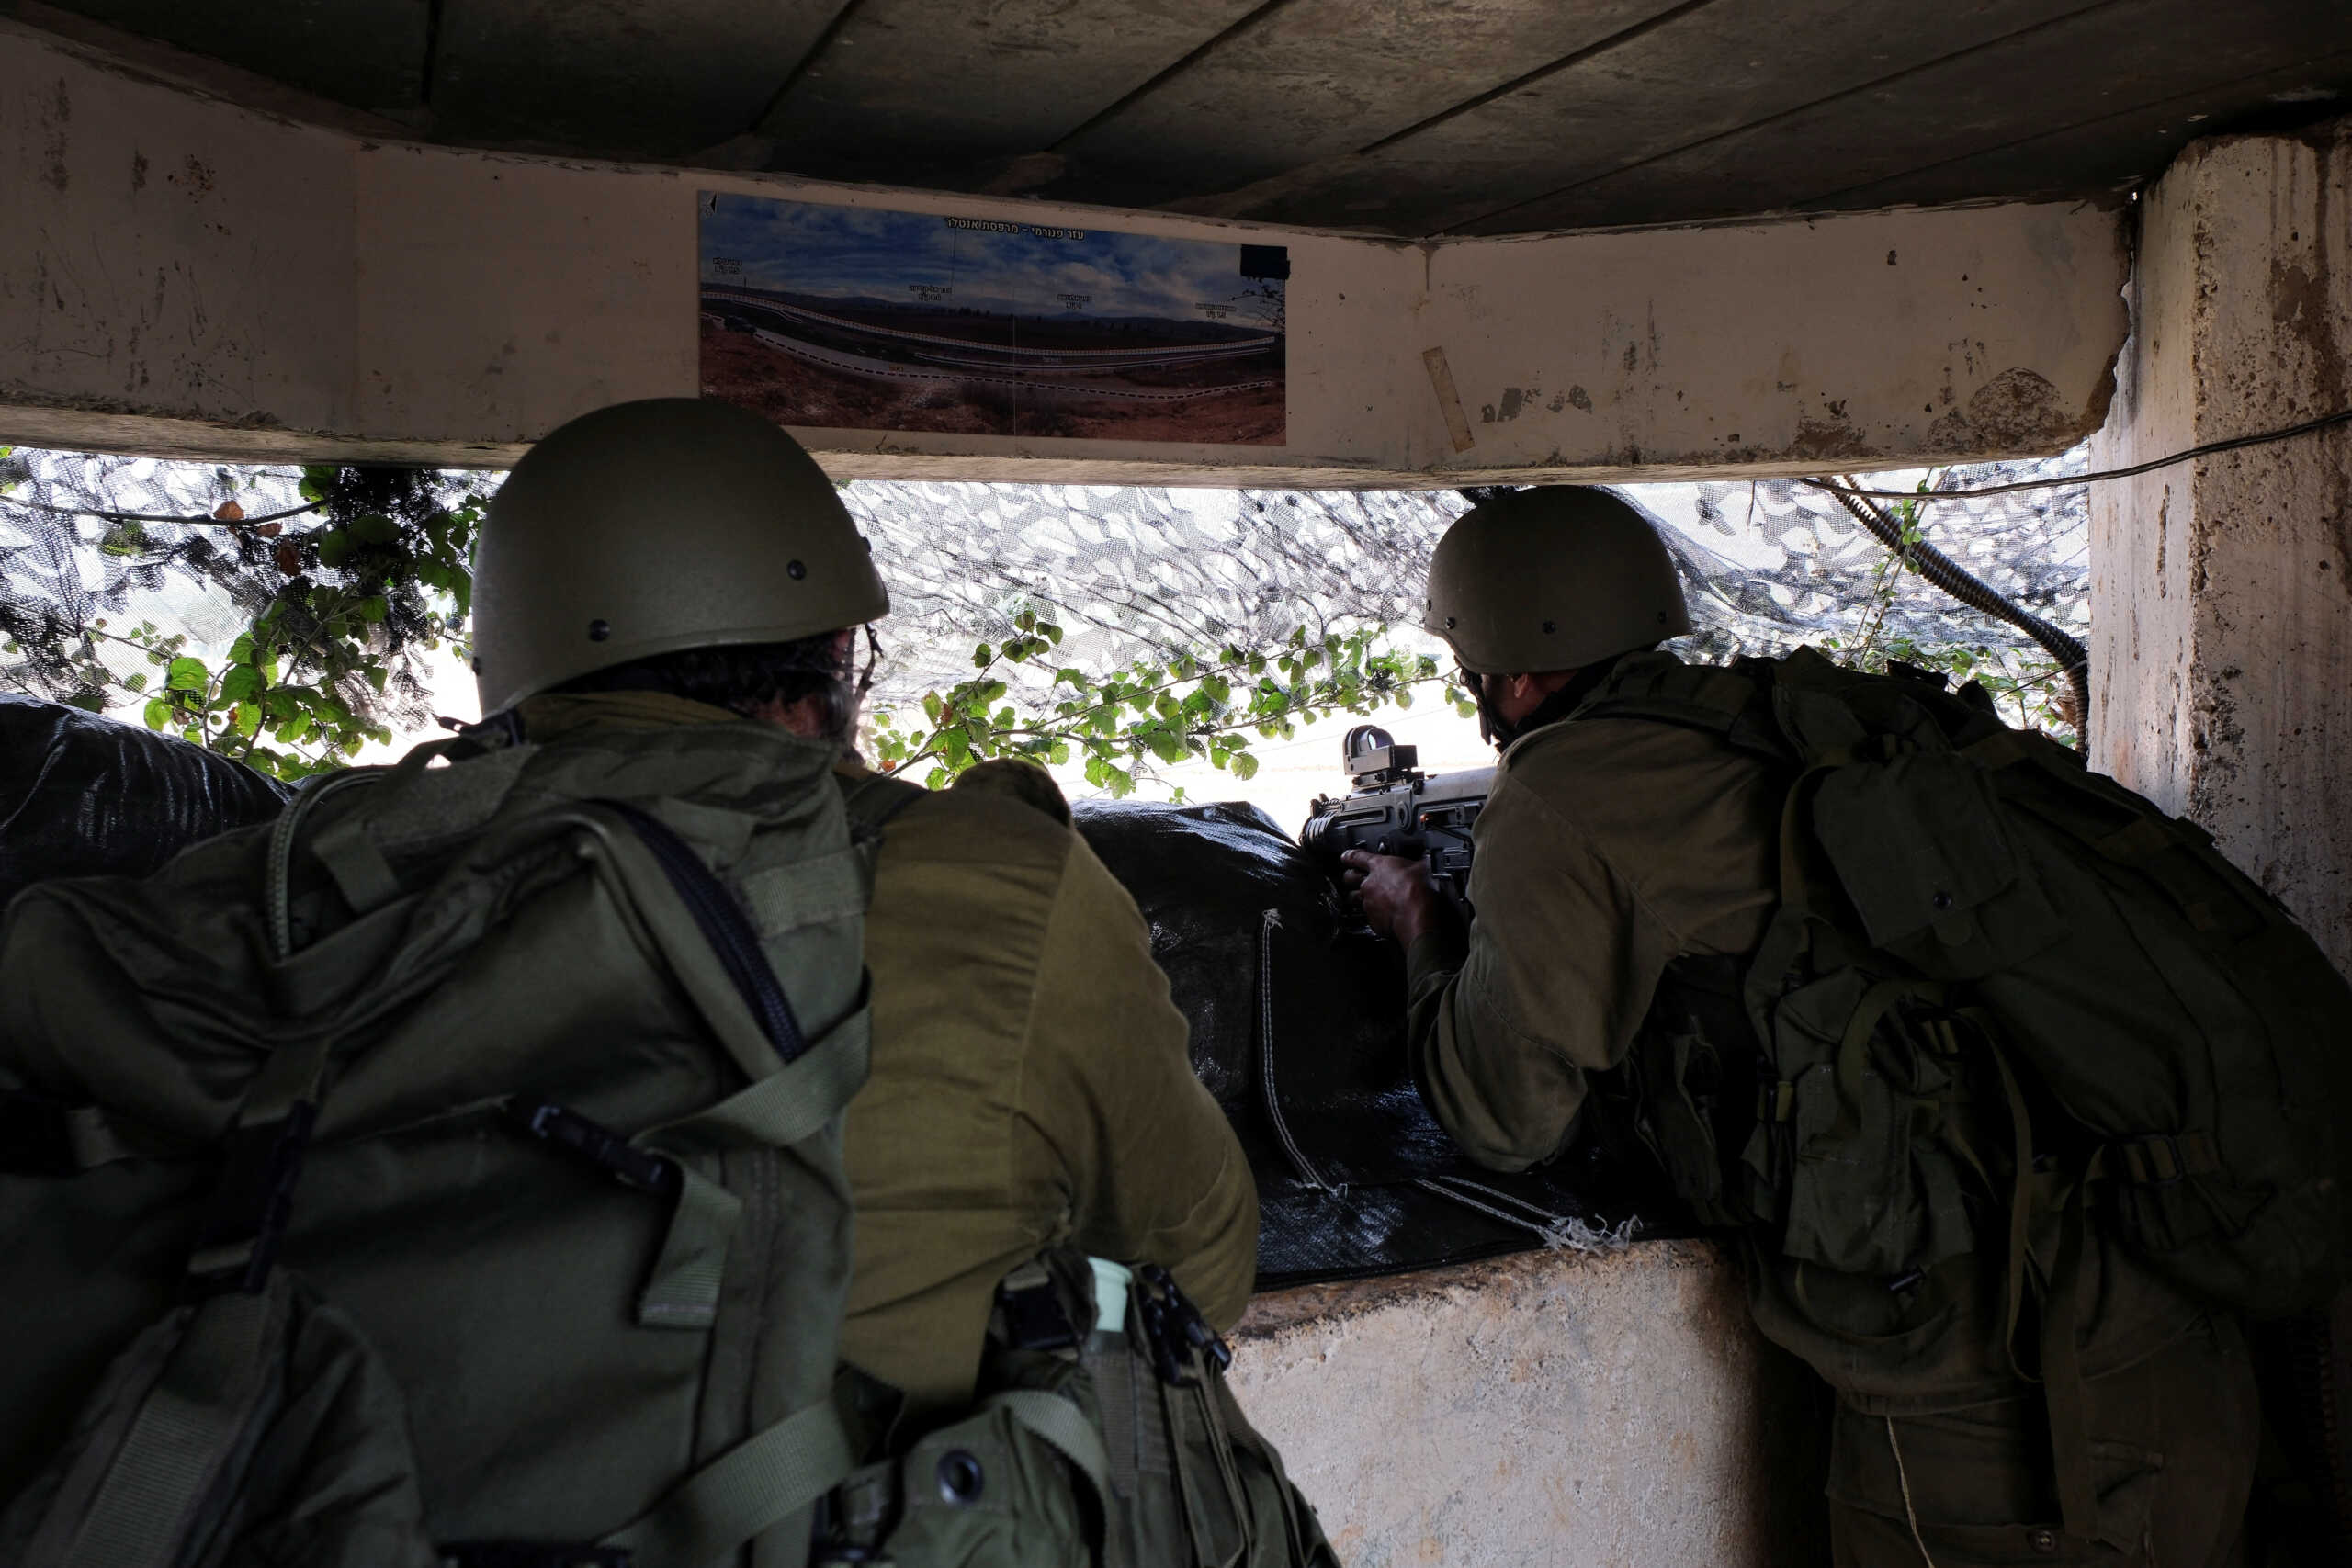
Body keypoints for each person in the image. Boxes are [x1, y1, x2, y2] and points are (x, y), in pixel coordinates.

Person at [1342, 486, 2267, 1567]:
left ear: (1500, 666)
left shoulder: (1568, 786)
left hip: (1992, 1387)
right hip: (2151, 1282)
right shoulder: (1789, 717)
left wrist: (1417, 930)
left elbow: (1502, 1114)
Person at [471, 396, 1258, 1423]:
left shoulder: (318, 884)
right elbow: (1200, 1269)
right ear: (831, 667)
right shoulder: (998, 881)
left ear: (514, 673)